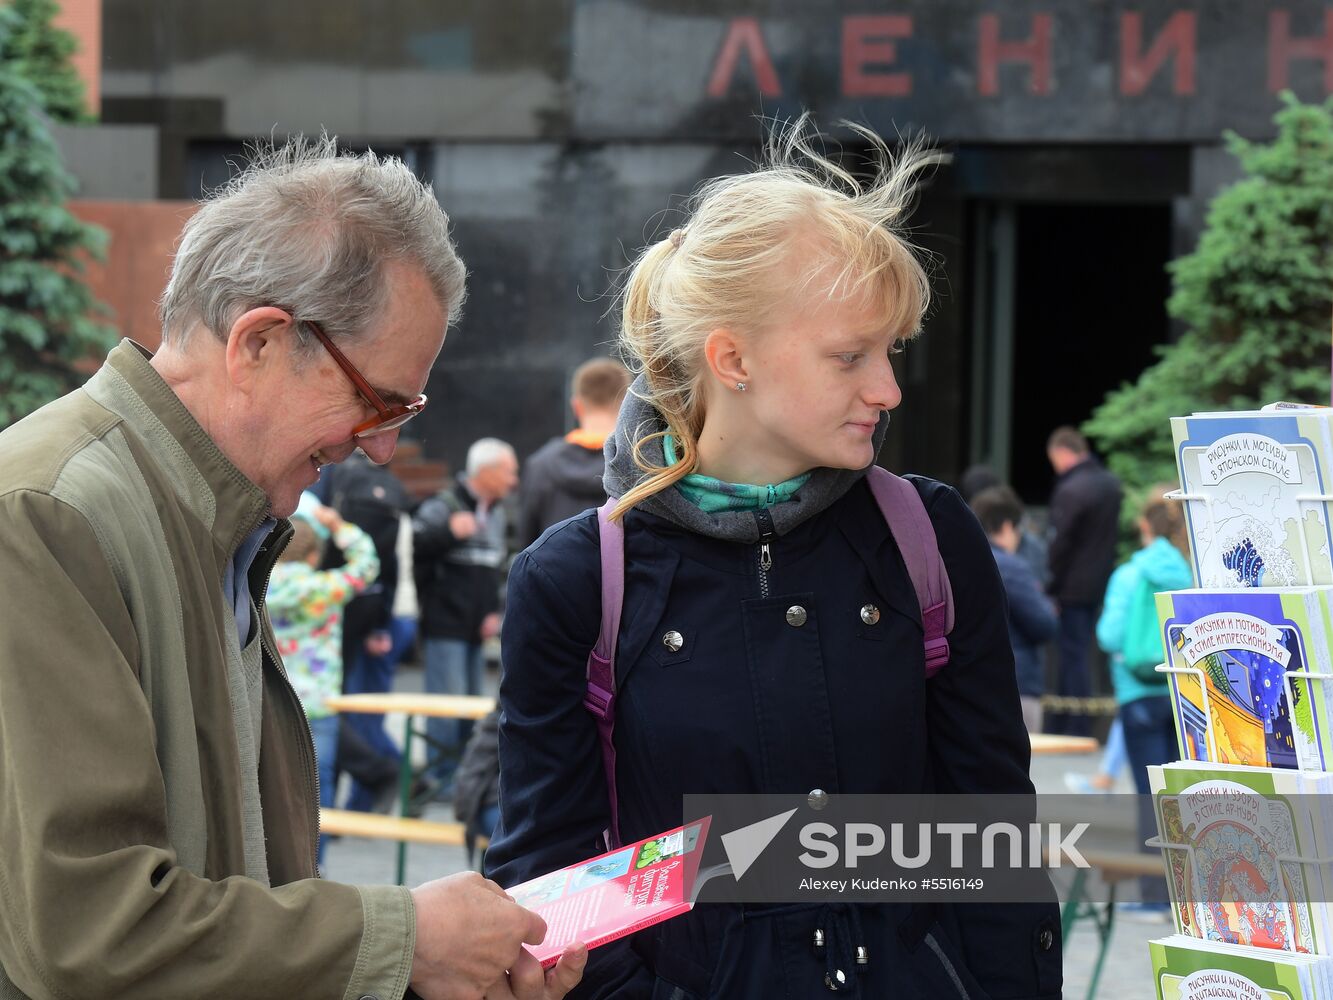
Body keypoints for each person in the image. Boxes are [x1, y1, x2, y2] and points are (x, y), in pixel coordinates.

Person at [487, 120, 1062, 998]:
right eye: (849, 356)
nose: (888, 389)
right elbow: (552, 891)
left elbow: (990, 846)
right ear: (731, 358)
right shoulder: (574, 578)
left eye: (892, 350)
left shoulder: (929, 539)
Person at [0, 138, 583, 999]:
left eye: (405, 410)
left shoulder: (208, 513)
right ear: (261, 343)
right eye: (377, 402)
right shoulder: (50, 512)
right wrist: (405, 940)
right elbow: (91, 930)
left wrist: (420, 960)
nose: (382, 449)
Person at [267, 497, 380, 865]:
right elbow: (367, 565)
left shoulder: (262, 585)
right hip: (319, 702)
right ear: (314, 556)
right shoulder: (324, 588)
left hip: (272, 697)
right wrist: (338, 526)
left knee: (272, 781)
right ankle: (315, 862)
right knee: (320, 784)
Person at [1095, 485, 1192, 909]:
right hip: (1181, 692)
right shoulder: (1191, 573)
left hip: (1138, 694)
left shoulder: (1130, 574)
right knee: (1181, 794)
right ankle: (1187, 898)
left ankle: (1154, 898)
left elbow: (1109, 635)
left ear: (1144, 527)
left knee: (1148, 796)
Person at [414, 438, 519, 794]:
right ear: (486, 472)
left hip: (478, 628)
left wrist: (496, 611)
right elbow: (413, 550)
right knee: (446, 708)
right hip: (445, 626)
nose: (514, 481)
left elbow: (497, 570)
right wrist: (447, 533)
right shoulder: (444, 506)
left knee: (473, 708)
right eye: (508, 471)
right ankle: (440, 780)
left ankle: (464, 780)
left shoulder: (499, 512)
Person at [319, 450, 421, 812]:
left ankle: (386, 778)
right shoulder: (393, 492)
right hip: (380, 610)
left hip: (345, 613)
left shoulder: (328, 483)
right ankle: (366, 795)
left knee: (341, 715)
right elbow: (386, 563)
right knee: (361, 711)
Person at [1045, 426, 1123, 736]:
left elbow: (1060, 544)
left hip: (1072, 586)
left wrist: (1050, 586)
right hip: (1100, 581)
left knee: (1072, 654)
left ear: (1063, 453)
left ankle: (1073, 722)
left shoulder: (1072, 489)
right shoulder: (1109, 484)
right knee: (1086, 651)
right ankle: (1073, 719)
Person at [970, 485, 1058, 734]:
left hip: (972, 681)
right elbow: (1043, 625)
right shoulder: (1011, 567)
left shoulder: (957, 562)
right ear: (1008, 526)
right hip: (1016, 682)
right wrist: (1049, 606)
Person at [517, 357, 631, 548]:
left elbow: (527, 545)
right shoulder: (646, 464)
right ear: (628, 404)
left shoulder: (540, 466)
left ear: (576, 406)